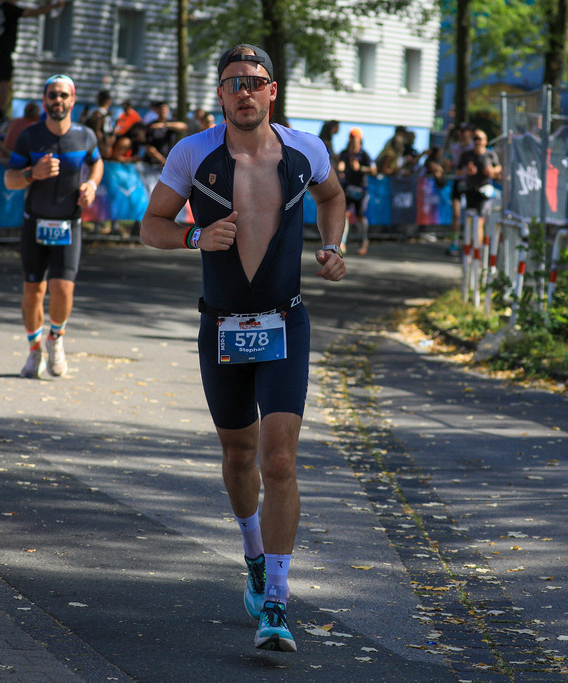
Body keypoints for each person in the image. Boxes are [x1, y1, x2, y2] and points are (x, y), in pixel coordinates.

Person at [140, 44, 346, 653]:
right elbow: (150, 226)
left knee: (278, 460)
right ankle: (254, 555)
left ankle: (277, 603)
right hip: (222, 325)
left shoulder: (305, 150)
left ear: (272, 91)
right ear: (221, 94)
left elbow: (332, 198)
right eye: (235, 83)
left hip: (286, 323)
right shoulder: (192, 153)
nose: (246, 91)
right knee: (238, 454)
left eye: (256, 81)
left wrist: (335, 247)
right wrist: (194, 235)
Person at [4, 74, 102, 379]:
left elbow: (97, 163)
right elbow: (10, 179)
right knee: (33, 291)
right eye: (52, 95)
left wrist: (92, 185)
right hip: (34, 224)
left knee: (62, 289)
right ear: (44, 100)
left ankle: (55, 339)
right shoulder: (30, 136)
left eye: (63, 95)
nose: (57, 101)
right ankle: (34, 350)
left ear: (72, 100)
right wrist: (33, 172)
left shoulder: (85, 136)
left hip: (69, 225)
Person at [0, 0, 66, 115]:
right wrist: (53, 6)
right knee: (4, 82)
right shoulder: (10, 8)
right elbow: (33, 12)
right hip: (3, 50)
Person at [459, 128, 501, 244]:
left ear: (485, 141)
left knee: (479, 221)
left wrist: (492, 170)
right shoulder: (467, 154)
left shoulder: (490, 154)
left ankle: (478, 251)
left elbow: (498, 168)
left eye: (479, 139)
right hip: (470, 190)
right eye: (475, 138)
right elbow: (457, 171)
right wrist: (466, 171)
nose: (477, 141)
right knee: (470, 221)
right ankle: (470, 250)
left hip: (485, 191)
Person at [338, 128, 375, 255]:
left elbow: (373, 170)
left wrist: (361, 168)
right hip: (348, 188)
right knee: (344, 214)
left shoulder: (364, 154)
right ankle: (342, 242)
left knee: (360, 216)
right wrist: (340, 168)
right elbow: (340, 164)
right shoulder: (344, 153)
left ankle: (363, 240)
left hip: (361, 189)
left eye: (356, 141)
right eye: (352, 140)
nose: (354, 144)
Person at [446, 121, 473, 254]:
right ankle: (455, 242)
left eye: (464, 131)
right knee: (456, 214)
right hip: (458, 182)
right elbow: (450, 163)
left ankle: (471, 242)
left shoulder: (473, 147)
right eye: (460, 131)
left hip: (471, 183)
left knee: (471, 214)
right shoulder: (455, 146)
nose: (461, 134)